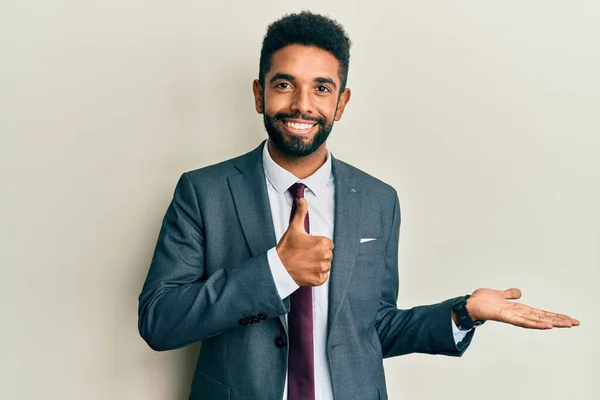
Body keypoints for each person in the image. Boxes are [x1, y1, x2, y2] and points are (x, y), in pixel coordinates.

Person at [137, 11, 579, 400]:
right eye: (284, 84)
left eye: (322, 88)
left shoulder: (378, 201)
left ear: (341, 103)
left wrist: (462, 312)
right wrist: (276, 271)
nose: (302, 105)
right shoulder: (203, 191)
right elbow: (160, 320)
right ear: (259, 94)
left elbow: (372, 327)